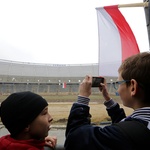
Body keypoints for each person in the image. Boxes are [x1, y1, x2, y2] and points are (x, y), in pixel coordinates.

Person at [64, 52, 150, 150]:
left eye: (119, 83)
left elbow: (75, 139)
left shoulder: (123, 134)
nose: (118, 89)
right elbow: (128, 126)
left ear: (133, 87)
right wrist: (107, 99)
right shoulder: (137, 128)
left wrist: (83, 97)